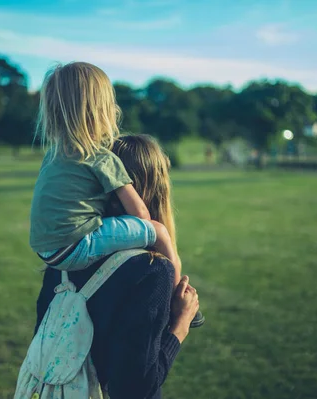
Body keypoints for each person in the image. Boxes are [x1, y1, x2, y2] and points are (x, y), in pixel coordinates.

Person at [35, 134, 201, 398]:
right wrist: (180, 326)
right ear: (155, 189)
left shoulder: (65, 258)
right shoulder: (151, 271)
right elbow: (138, 389)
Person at [29, 62, 181, 286]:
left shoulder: (53, 155)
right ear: (101, 110)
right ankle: (178, 291)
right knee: (158, 231)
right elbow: (141, 215)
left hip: (46, 250)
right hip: (75, 246)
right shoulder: (101, 158)